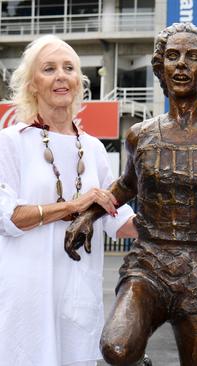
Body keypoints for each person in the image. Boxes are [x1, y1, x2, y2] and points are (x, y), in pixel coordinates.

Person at [65, 23, 197, 366]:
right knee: (117, 348)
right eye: (172, 56)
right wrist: (89, 215)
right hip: (149, 261)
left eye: (192, 57)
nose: (181, 64)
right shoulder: (140, 135)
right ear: (160, 67)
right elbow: (126, 185)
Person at [0, 35, 136, 366]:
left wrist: (178, 220)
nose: (61, 76)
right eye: (49, 69)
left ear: (79, 81)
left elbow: (118, 220)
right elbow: (8, 218)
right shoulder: (10, 143)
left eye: (69, 68)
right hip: (26, 304)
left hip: (78, 301)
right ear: (32, 83)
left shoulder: (94, 148)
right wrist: (75, 206)